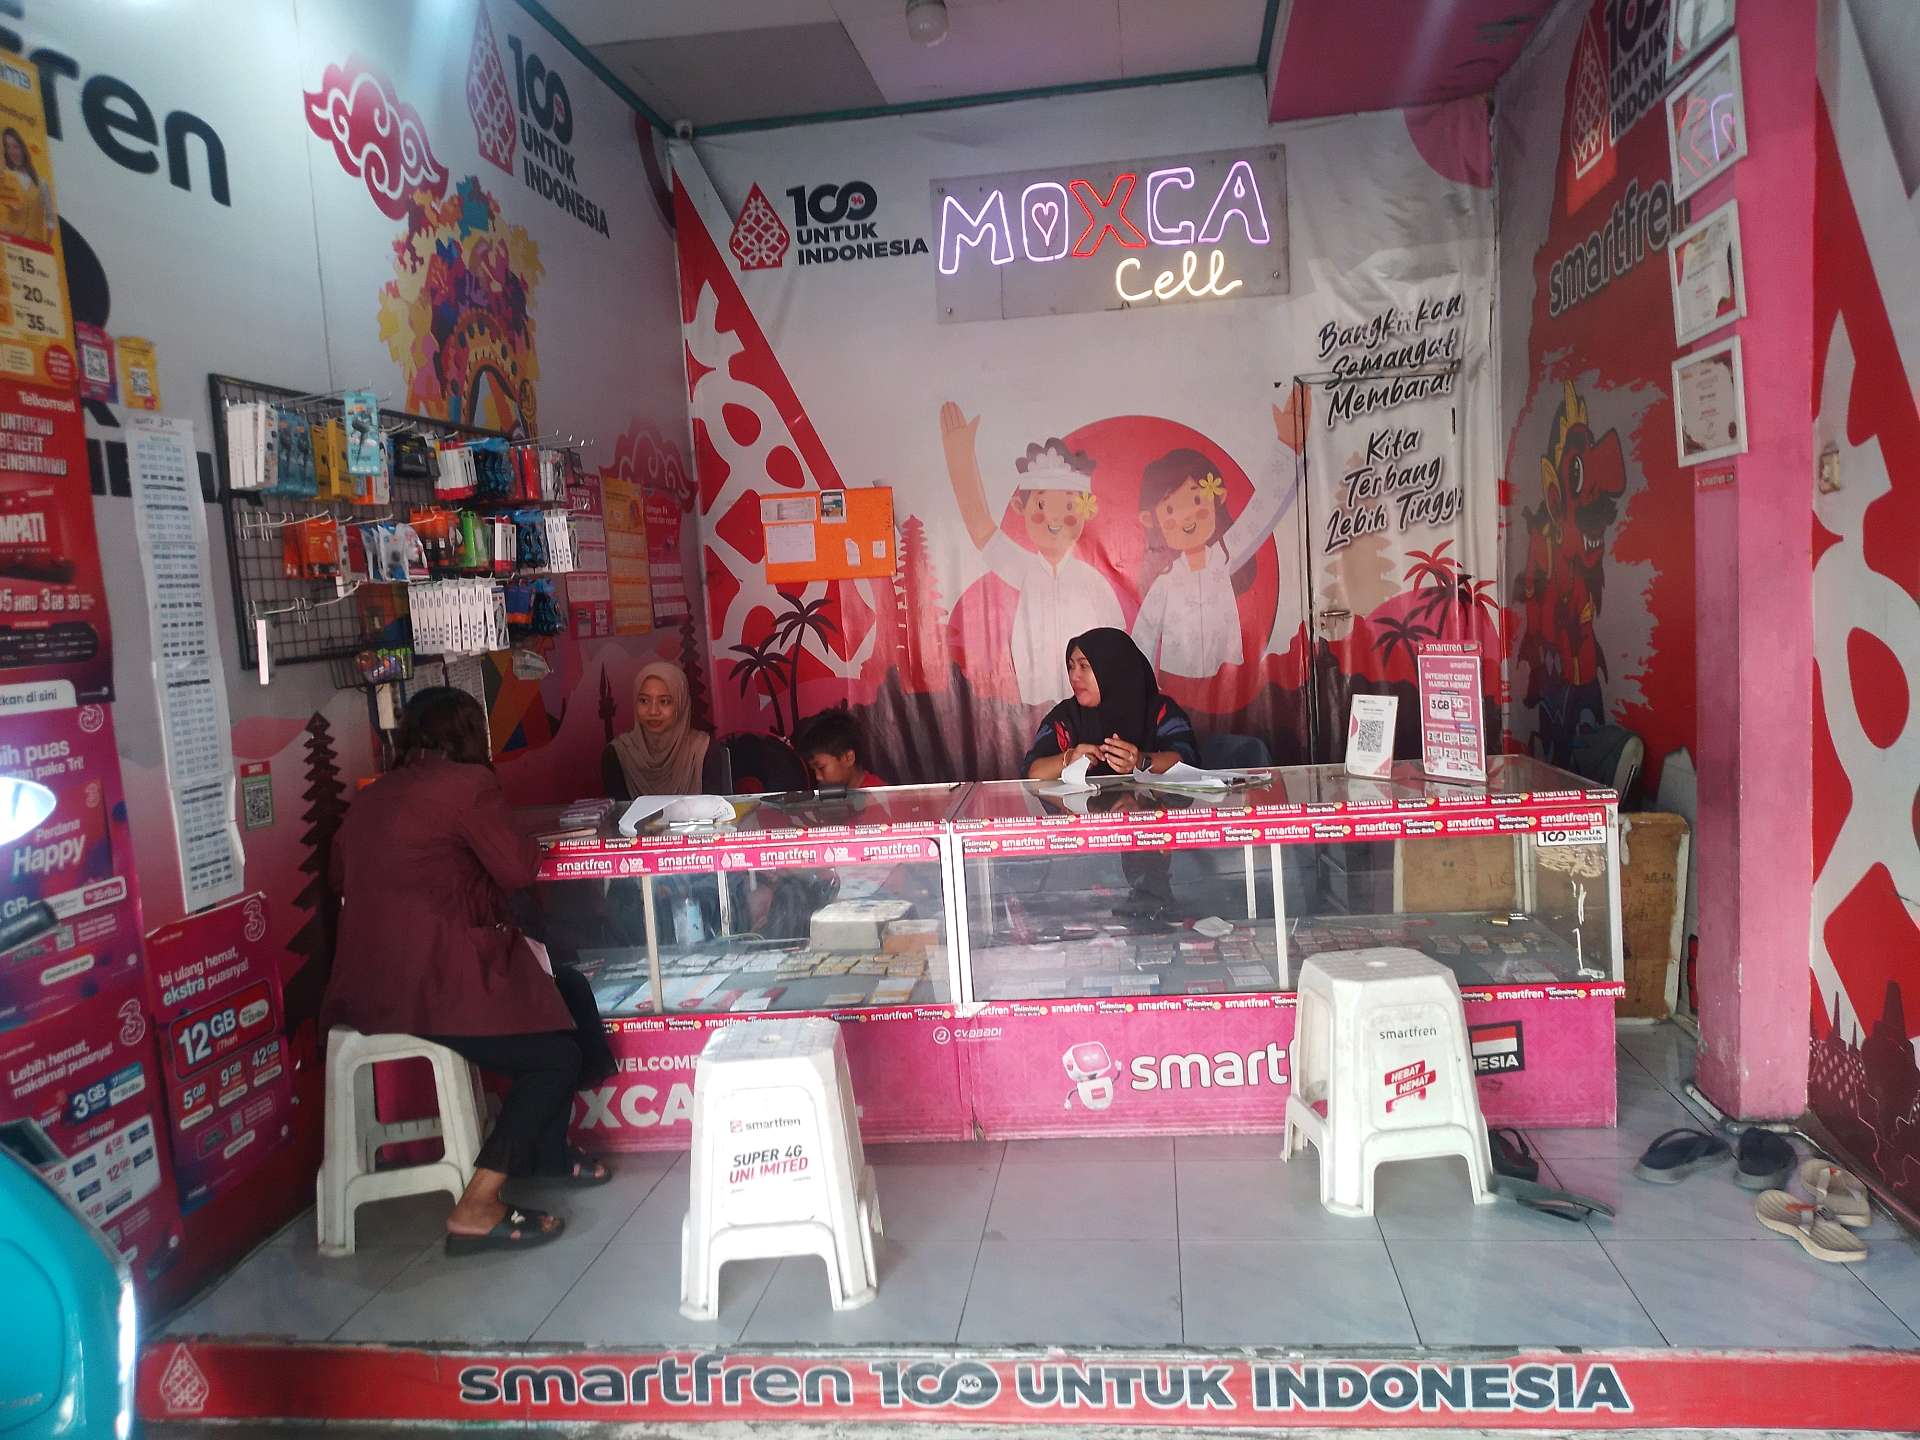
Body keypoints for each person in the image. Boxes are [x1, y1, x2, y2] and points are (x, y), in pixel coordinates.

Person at [324, 687, 611, 1257]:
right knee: (555, 1057)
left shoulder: (372, 798)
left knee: (570, 990)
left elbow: (339, 877)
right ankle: (477, 1205)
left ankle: (547, 1153)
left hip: (370, 989)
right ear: (471, 735)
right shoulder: (468, 785)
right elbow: (516, 868)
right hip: (437, 984)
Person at [940, 402, 1126, 706]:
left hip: (1093, 706)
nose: (1054, 517)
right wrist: (960, 461)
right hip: (1037, 704)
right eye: (1041, 504)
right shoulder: (1023, 568)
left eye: (1068, 505)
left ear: (1086, 511)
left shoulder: (1093, 581)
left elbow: (1119, 642)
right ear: (1020, 508)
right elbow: (981, 528)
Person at [1023, 628, 1200, 781]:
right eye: (1071, 666)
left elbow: (1189, 760)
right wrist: (1068, 760)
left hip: (1149, 809)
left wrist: (1140, 761)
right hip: (1084, 811)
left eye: (1084, 666)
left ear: (1112, 669)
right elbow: (1031, 772)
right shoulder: (1066, 716)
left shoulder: (1159, 711)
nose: (1074, 676)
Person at [602, 660, 727, 800]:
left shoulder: (703, 751)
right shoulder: (618, 754)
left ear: (681, 704)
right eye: (644, 701)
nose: (653, 711)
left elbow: (717, 808)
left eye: (664, 701)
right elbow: (618, 811)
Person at [792, 706, 887, 788]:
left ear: (848, 758)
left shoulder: (879, 798)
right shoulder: (833, 793)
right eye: (814, 770)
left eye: (821, 768)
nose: (818, 777)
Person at [0, 128, 53, 246]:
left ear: (23, 148)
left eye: (15, 146)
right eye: (8, 147)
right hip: (8, 242)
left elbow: (50, 219)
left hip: (34, 244)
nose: (12, 152)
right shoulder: (6, 177)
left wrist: (46, 245)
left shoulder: (42, 184)